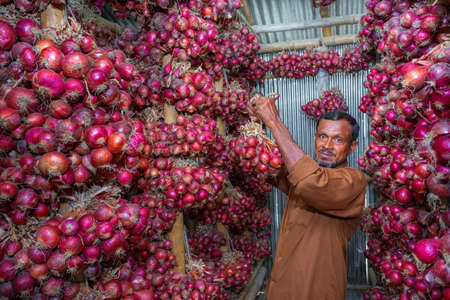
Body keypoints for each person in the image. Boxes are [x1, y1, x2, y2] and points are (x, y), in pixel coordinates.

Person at [247, 94, 367, 300]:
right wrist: (255, 124)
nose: (327, 146)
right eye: (322, 136)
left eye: (338, 140)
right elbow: (268, 165)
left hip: (316, 292)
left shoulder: (352, 181)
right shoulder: (304, 173)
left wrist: (274, 121)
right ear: (315, 138)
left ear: (352, 147)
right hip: (282, 287)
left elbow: (311, 182)